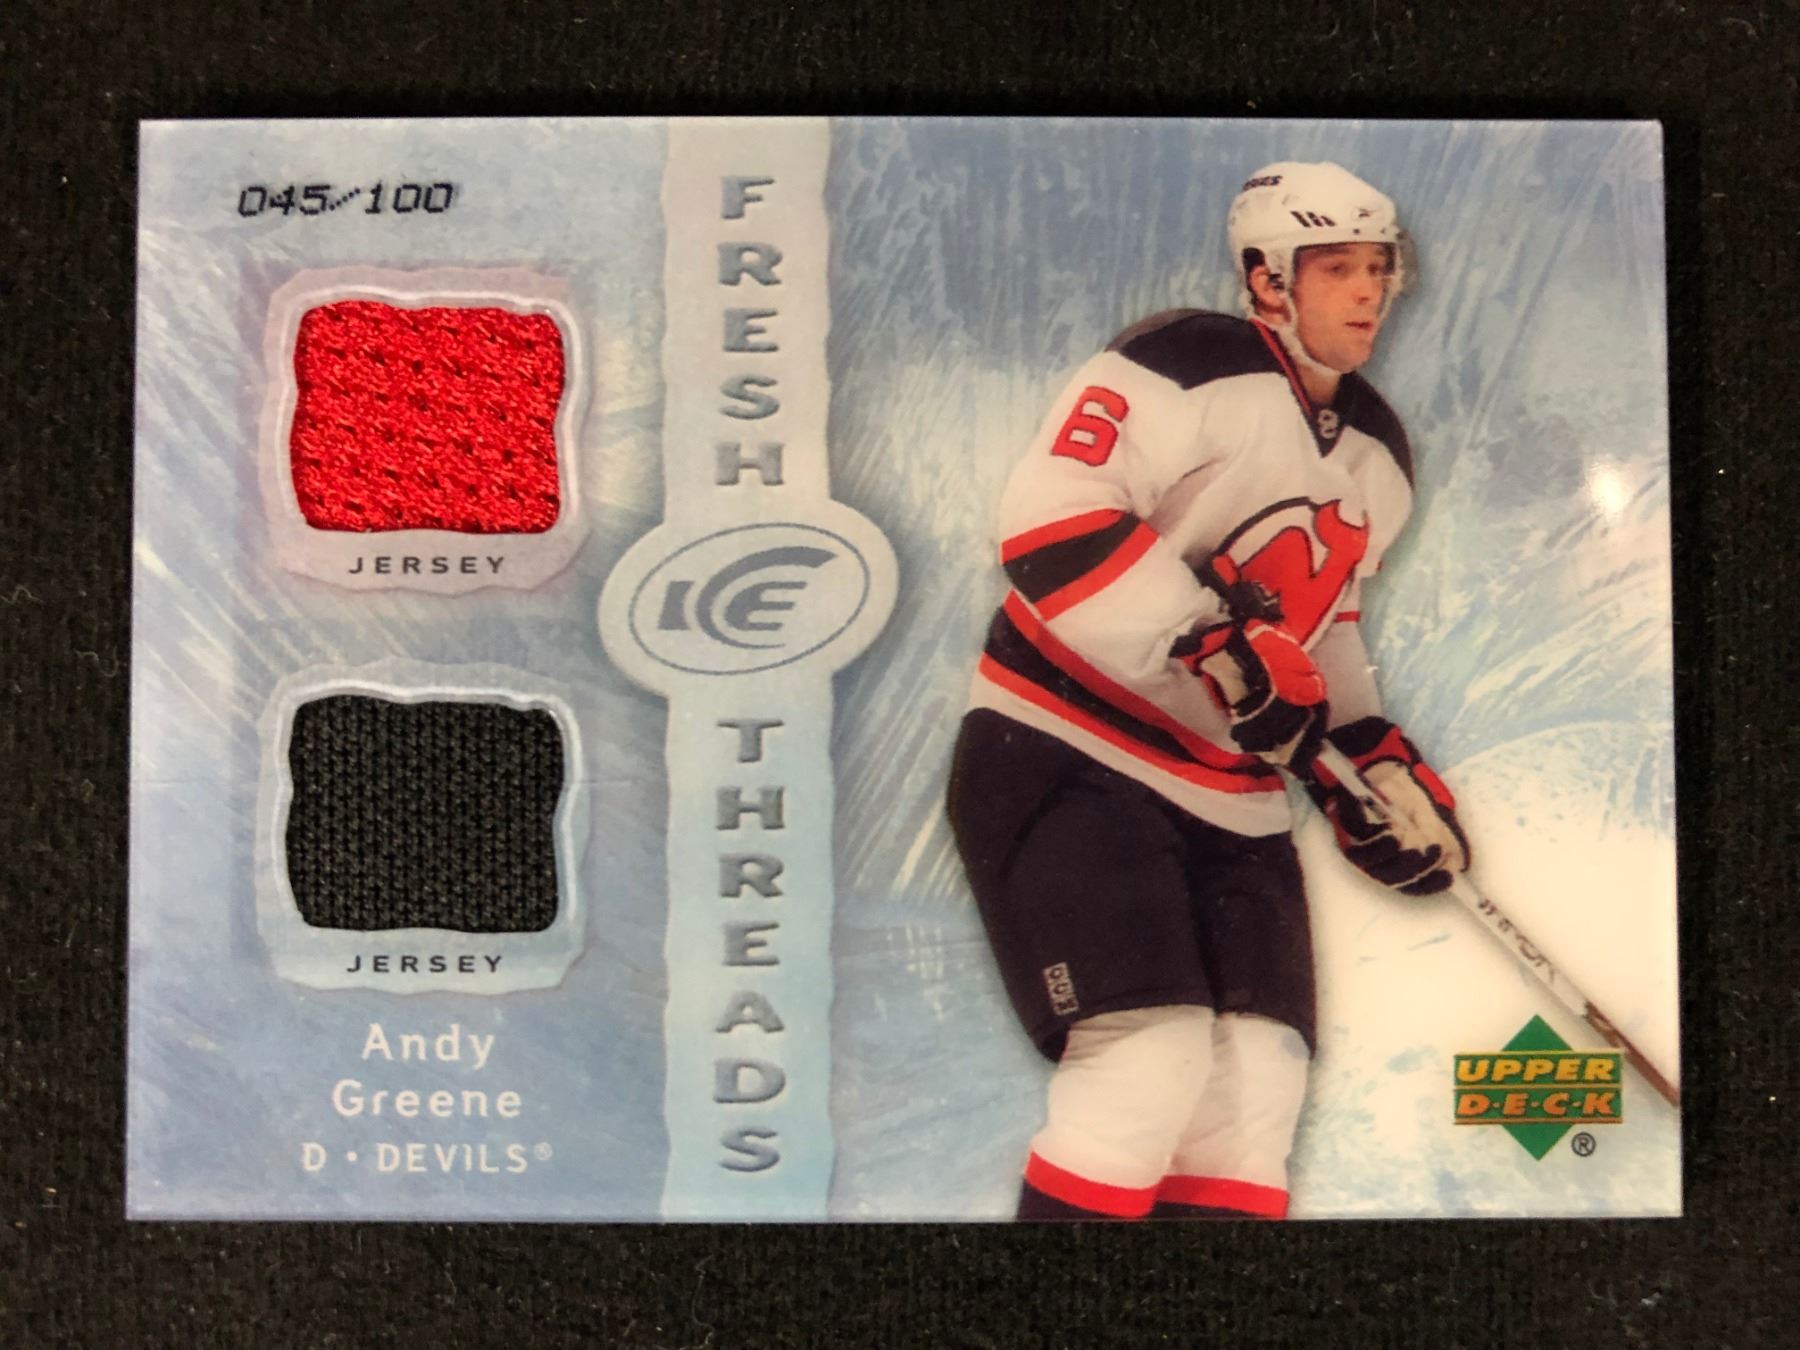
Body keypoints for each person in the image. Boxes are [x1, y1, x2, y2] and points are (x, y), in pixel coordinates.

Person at [946, 161, 1471, 1221]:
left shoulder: (1380, 455)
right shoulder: (1181, 362)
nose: (1368, 292)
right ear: (1269, 279)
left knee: (1254, 1095)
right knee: (1145, 1063)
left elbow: (1326, 629)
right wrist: (1209, 641)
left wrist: (1371, 766)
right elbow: (1049, 519)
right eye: (1337, 268)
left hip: (1230, 798)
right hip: (1063, 747)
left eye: (1379, 268)